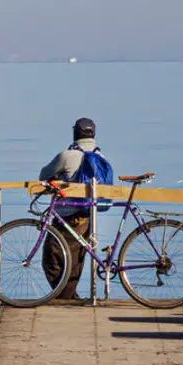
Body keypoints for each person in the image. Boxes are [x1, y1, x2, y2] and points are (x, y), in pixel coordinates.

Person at [38, 117, 105, 300]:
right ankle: (69, 297)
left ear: (75, 133)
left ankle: (65, 300)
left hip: (68, 215)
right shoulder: (100, 156)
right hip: (89, 217)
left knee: (51, 259)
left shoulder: (67, 156)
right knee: (74, 263)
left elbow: (43, 175)